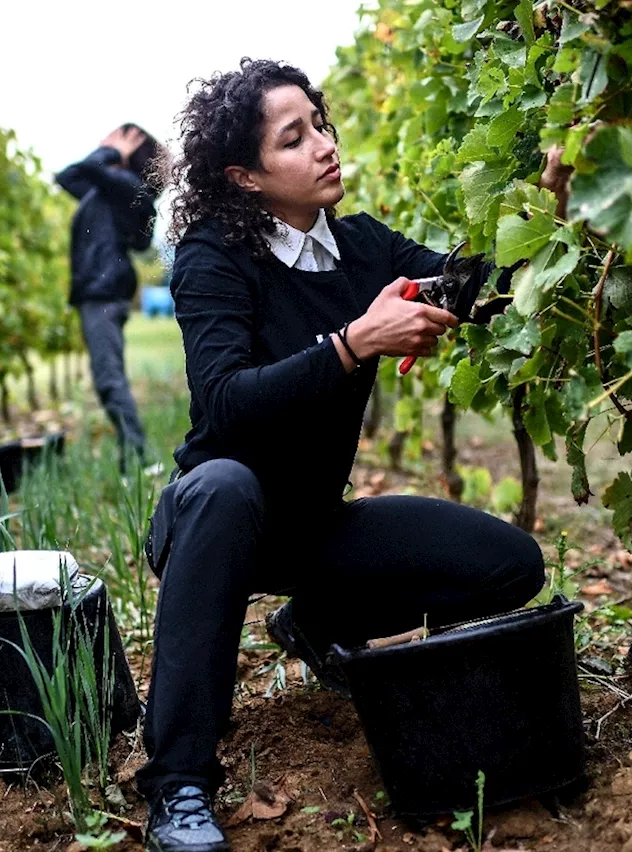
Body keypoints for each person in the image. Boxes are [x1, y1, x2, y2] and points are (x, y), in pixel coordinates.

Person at [138, 59, 547, 852]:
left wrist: (555, 221)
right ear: (245, 177)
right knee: (224, 487)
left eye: (320, 124)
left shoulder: (361, 249)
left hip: (316, 527)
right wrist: (354, 342)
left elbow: (475, 289)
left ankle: (313, 623)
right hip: (220, 519)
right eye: (294, 139)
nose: (324, 145)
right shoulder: (213, 258)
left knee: (511, 566)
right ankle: (178, 783)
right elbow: (226, 402)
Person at [56, 124, 163, 471]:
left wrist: (115, 153)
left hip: (102, 291)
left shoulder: (125, 187)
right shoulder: (107, 191)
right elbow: (67, 177)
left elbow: (83, 169)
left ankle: (140, 458)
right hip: (99, 290)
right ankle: (132, 455)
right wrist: (113, 154)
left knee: (108, 376)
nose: (103, 141)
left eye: (116, 137)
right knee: (109, 375)